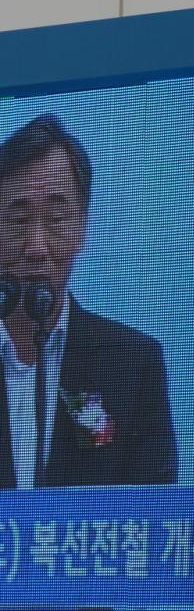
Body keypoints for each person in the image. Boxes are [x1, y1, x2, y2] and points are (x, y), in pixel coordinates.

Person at [0, 113, 176, 488]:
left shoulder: (132, 363)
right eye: (16, 222)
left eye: (55, 219)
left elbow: (154, 510)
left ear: (82, 228)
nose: (36, 247)